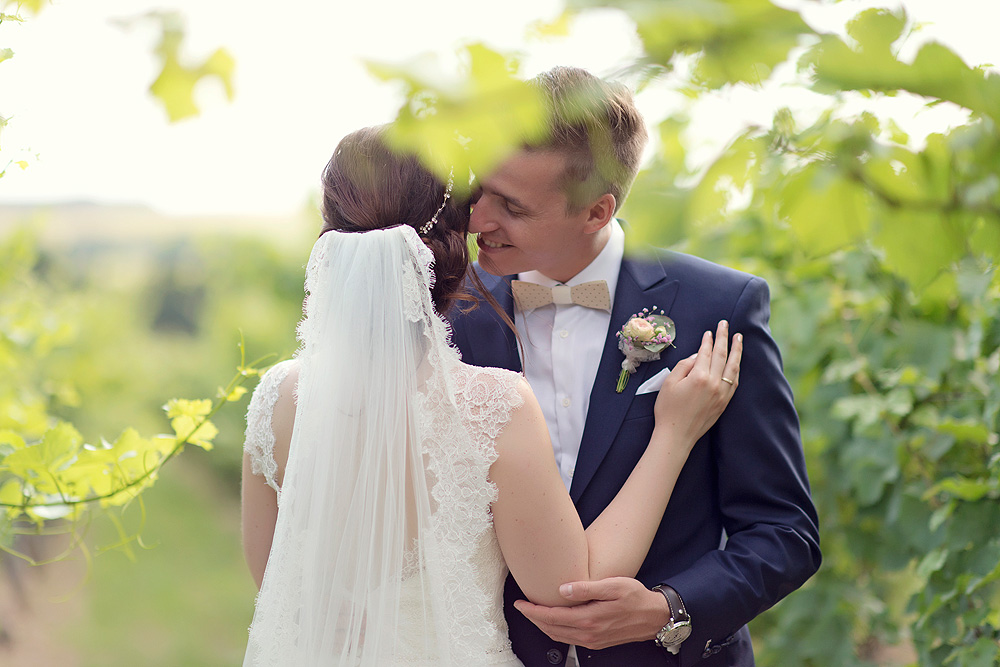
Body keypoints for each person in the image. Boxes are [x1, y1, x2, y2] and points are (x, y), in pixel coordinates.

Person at [240, 125, 742, 666]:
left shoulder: (276, 400)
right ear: (452, 240)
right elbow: (575, 588)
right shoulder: (491, 406)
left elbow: (276, 580)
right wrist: (673, 435)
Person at [449, 66, 821, 666]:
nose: (477, 221)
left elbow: (784, 532)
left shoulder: (717, 308)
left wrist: (668, 609)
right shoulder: (447, 307)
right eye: (479, 192)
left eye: (512, 206)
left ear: (596, 212)